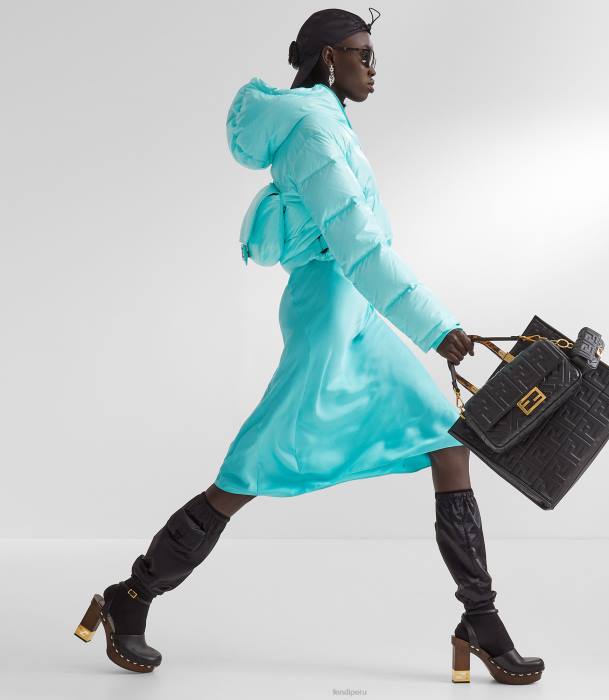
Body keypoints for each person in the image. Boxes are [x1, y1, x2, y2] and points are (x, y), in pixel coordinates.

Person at [74, 7, 544, 685]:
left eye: (373, 55)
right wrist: (436, 326)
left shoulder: (327, 121)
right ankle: (133, 594)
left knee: (447, 441)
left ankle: (481, 620)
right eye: (363, 55)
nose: (374, 68)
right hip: (330, 317)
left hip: (358, 313)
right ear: (329, 58)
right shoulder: (315, 131)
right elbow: (360, 245)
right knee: (250, 469)